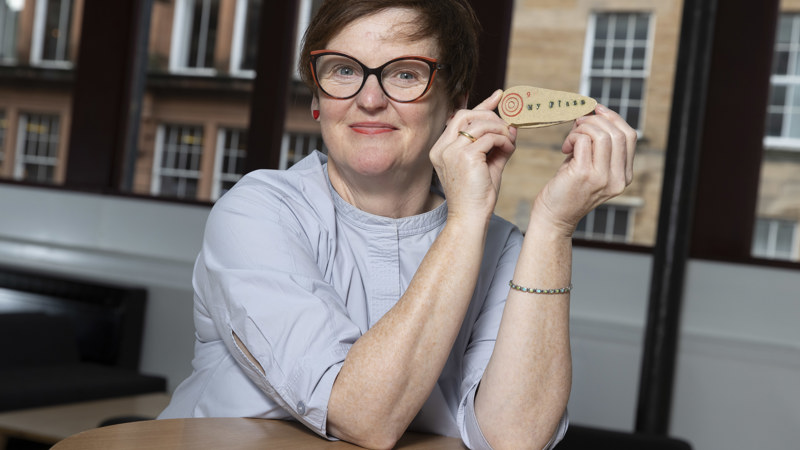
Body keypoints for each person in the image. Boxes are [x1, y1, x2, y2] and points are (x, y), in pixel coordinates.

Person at [158, 0, 637, 449]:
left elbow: (514, 438)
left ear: (456, 105)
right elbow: (362, 415)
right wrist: (466, 216)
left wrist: (553, 227)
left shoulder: (503, 248)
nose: (369, 99)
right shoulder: (258, 212)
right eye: (344, 70)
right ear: (317, 98)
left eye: (405, 74)